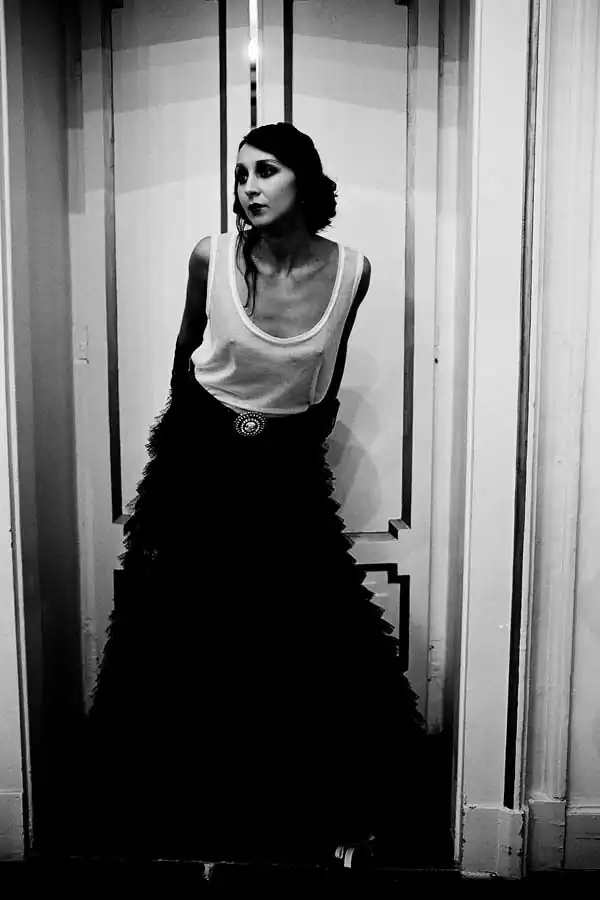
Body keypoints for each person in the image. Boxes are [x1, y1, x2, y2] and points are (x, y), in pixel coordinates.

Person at [82, 122, 427, 865]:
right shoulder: (211, 257)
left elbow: (327, 375)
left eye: (266, 171)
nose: (249, 187)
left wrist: (290, 446)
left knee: (306, 629)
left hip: (284, 469)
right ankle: (173, 813)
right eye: (241, 174)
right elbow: (185, 360)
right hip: (199, 461)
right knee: (181, 629)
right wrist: (191, 457)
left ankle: (322, 812)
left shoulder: (353, 270)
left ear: (306, 179)